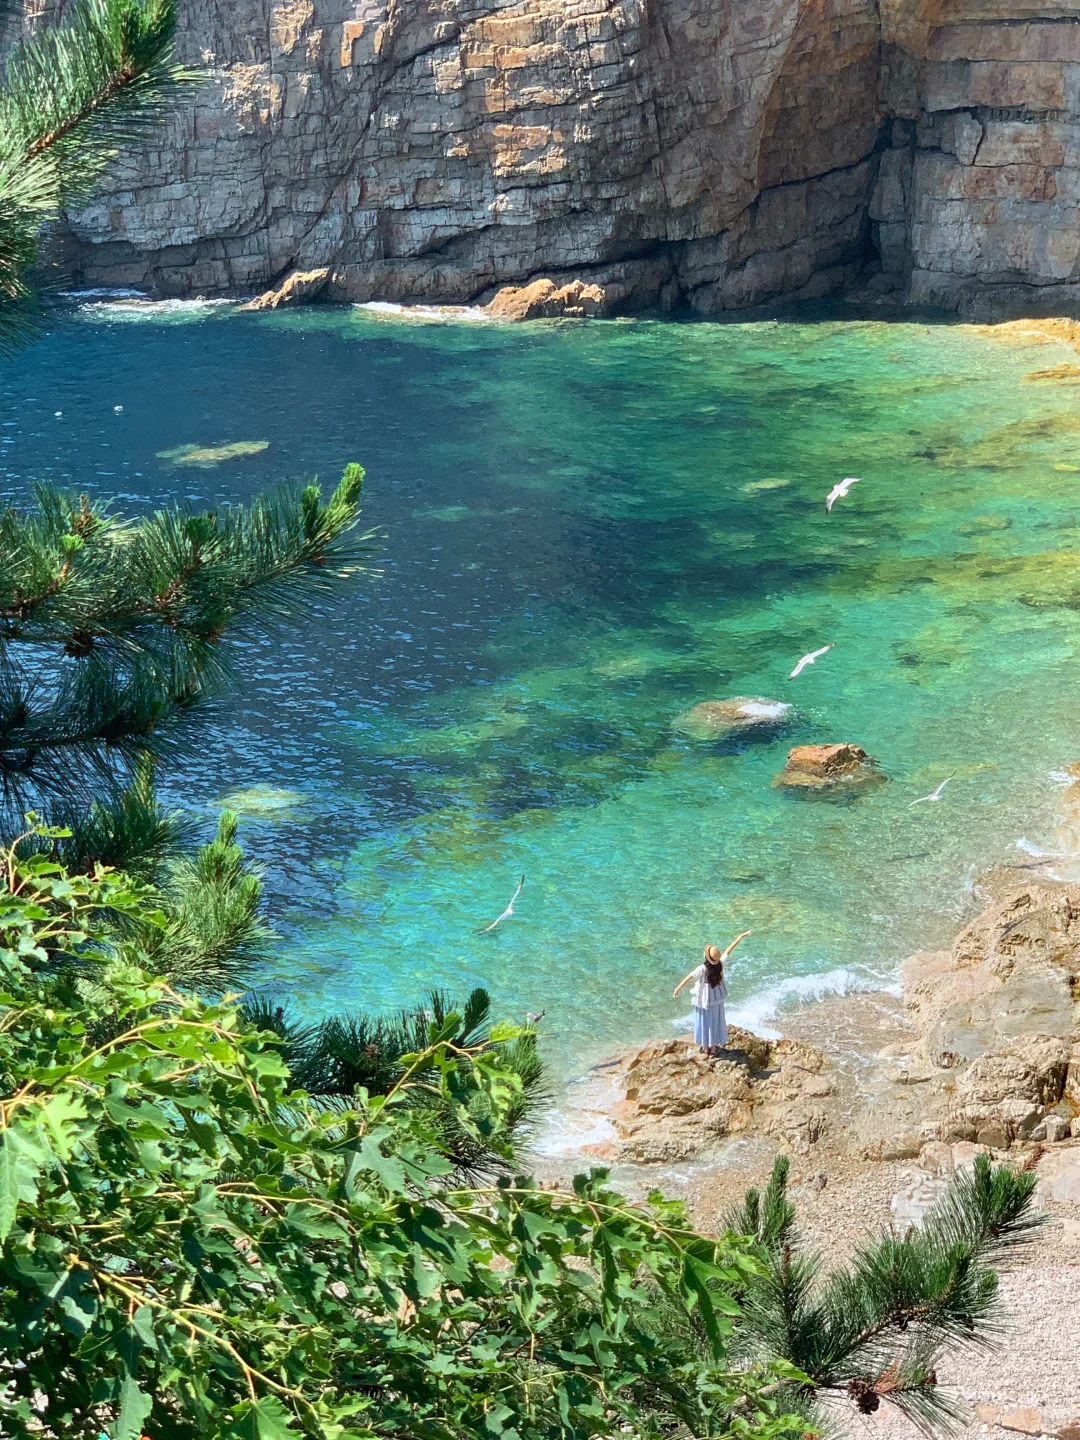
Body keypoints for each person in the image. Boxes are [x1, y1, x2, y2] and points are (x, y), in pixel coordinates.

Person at [672, 931, 751, 1057]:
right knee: (715, 1021)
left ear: (707, 957)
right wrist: (741, 936)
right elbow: (729, 950)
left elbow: (689, 977)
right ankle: (713, 1048)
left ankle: (705, 1048)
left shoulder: (702, 969)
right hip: (716, 998)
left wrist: (677, 988)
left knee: (704, 1021)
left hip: (703, 1000)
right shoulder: (720, 964)